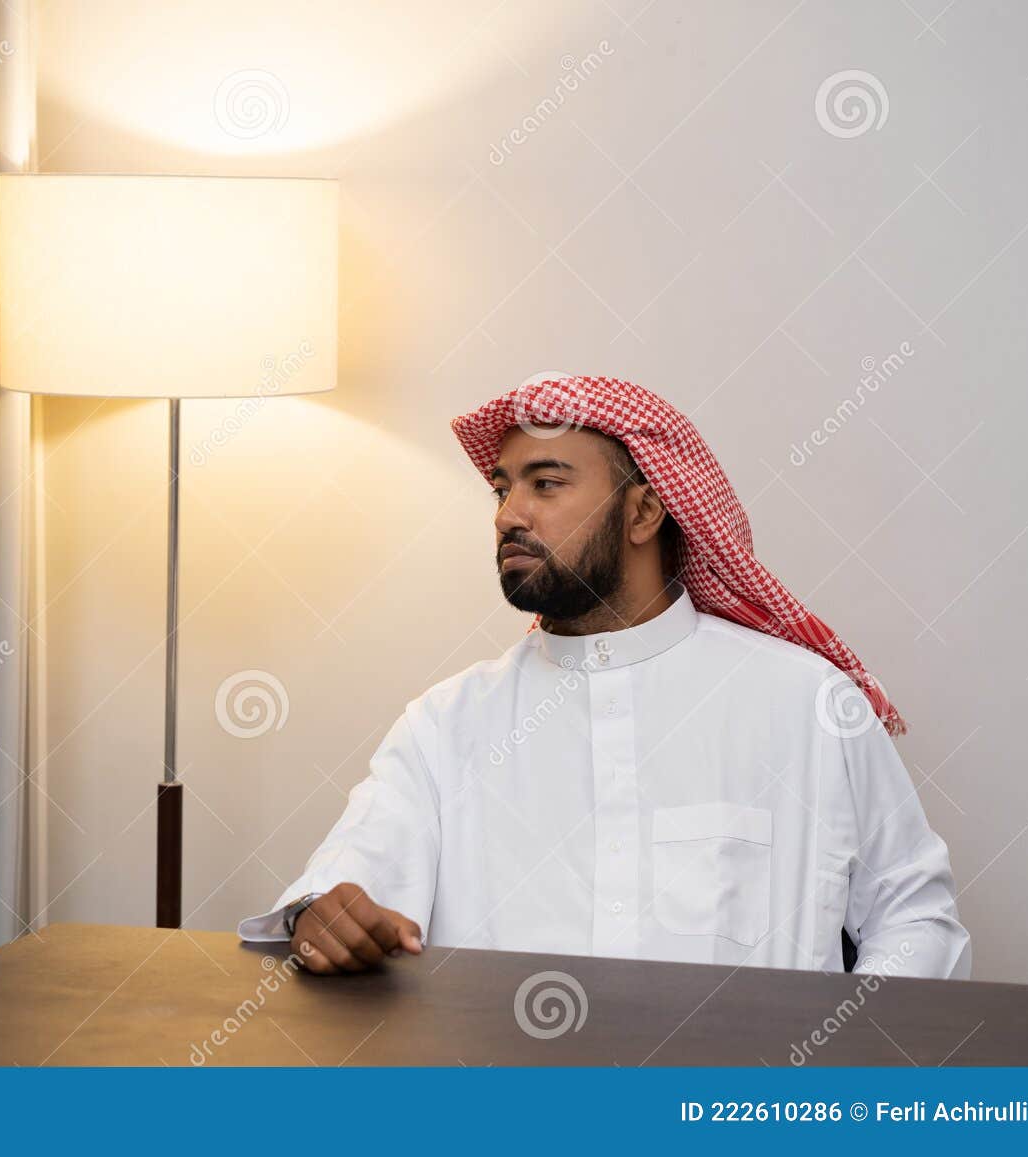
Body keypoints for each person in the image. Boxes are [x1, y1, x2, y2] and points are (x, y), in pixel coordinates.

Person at [238, 374, 971, 981]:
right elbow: (344, 886)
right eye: (501, 490)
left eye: (546, 484)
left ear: (645, 510)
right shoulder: (447, 724)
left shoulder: (808, 704)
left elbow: (915, 915)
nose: (508, 516)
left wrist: (843, 1078)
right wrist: (319, 914)